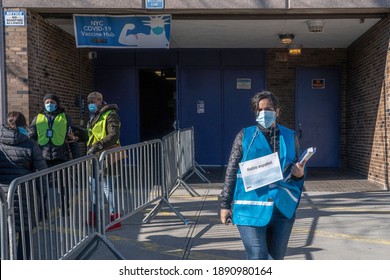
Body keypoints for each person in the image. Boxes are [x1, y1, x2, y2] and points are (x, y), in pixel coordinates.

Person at [219, 91, 306, 260]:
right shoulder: (245, 136)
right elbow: (231, 171)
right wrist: (225, 204)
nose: (264, 113)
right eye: (259, 110)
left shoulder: (290, 136)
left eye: (269, 109)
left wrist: (299, 174)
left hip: (282, 209)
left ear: (277, 111)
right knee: (258, 257)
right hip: (250, 207)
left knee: (276, 259)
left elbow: (297, 170)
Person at [0, 111, 48, 259]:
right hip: (24, 194)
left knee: (3, 232)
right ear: (23, 125)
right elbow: (42, 173)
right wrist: (43, 200)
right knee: (24, 232)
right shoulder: (31, 145)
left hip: (2, 195)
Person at [29, 93, 81, 216]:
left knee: (63, 185)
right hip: (43, 156)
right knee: (42, 186)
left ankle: (64, 207)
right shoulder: (38, 118)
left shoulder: (65, 117)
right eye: (47, 102)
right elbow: (31, 138)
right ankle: (42, 211)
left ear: (57, 104)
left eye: (52, 102)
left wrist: (77, 158)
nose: (49, 104)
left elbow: (72, 138)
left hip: (61, 155)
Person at [86, 91, 122, 231]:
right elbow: (93, 135)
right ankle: (94, 218)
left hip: (106, 156)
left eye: (93, 101)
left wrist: (97, 146)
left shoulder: (111, 115)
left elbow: (113, 135)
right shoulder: (93, 116)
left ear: (101, 101)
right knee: (94, 189)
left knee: (109, 189)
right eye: (89, 102)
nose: (90, 104)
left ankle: (115, 218)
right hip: (94, 156)